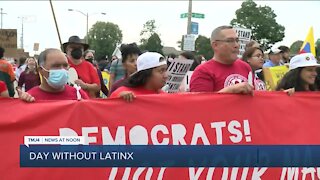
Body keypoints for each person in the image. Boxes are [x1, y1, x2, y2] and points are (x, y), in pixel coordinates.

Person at [190, 25, 253, 94]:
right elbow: (200, 103)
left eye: (237, 40)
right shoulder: (203, 71)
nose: (236, 45)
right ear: (215, 45)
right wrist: (230, 91)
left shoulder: (245, 67)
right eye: (230, 41)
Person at [18, 48, 89, 102]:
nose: (62, 70)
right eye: (56, 66)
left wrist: (84, 107)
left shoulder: (78, 95)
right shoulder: (30, 98)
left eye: (65, 65)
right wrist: (24, 105)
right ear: (41, 70)